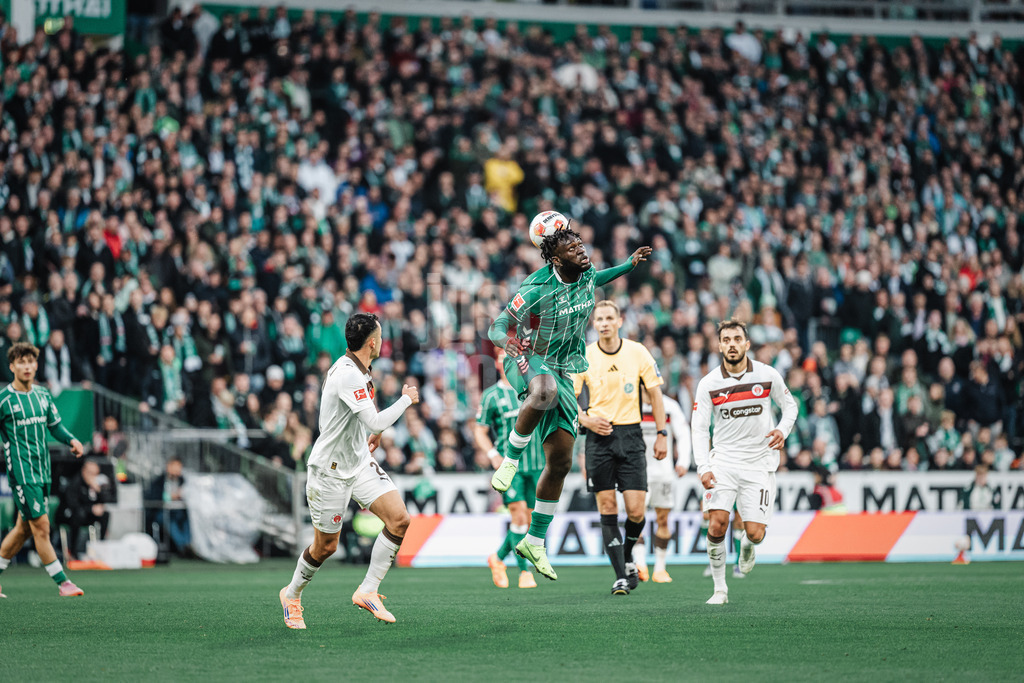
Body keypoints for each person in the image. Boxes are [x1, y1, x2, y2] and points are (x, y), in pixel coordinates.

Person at [488, 227, 650, 581]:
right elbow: (497, 326)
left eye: (581, 244)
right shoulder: (535, 288)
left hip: (565, 367)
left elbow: (600, 276)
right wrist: (506, 342)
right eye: (572, 247)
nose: (581, 249)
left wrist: (627, 265)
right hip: (528, 357)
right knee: (542, 390)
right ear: (556, 258)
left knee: (560, 461)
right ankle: (510, 459)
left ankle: (534, 540)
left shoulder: (588, 274)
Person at [280, 313, 419, 628]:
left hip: (358, 461)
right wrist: (405, 400)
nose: (383, 341)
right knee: (326, 547)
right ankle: (291, 595)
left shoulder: (361, 369)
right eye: (381, 336)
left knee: (400, 520)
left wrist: (375, 433)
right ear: (372, 342)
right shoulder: (348, 374)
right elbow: (374, 419)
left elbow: (364, 418)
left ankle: (368, 589)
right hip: (330, 471)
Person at [692, 320, 798, 605]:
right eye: (726, 339)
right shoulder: (709, 384)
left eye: (737, 339)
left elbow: (791, 406)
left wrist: (782, 430)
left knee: (755, 532)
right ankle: (719, 590)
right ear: (719, 345)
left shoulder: (767, 375)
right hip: (723, 461)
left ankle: (748, 547)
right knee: (717, 524)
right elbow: (699, 429)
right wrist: (703, 467)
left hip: (759, 463)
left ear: (747, 344)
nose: (732, 344)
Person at [573, 300, 667, 595]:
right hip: (598, 439)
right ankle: (621, 576)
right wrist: (586, 421)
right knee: (608, 506)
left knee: (637, 511)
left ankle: (626, 557)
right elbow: (569, 400)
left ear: (619, 320)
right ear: (594, 323)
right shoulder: (584, 356)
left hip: (631, 435)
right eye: (598, 318)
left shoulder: (637, 352)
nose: (603, 323)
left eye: (609, 318)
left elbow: (655, 394)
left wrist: (662, 433)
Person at [0, 342, 86, 597]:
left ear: (36, 365)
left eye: (30, 361)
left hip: (42, 470)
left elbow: (55, 426)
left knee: (23, 529)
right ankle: (63, 582)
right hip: (22, 473)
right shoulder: (4, 400)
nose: (27, 366)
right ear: (12, 366)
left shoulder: (43, 395)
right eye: (21, 362)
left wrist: (71, 439)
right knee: (42, 527)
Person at [475, 349, 544, 589]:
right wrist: (492, 454)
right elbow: (479, 430)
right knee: (519, 516)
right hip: (510, 466)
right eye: (504, 358)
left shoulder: (536, 389)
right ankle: (525, 572)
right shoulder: (491, 396)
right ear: (497, 363)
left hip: (537, 464)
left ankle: (497, 558)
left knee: (531, 520)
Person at [636, 386, 690, 584]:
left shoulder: (669, 406)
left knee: (663, 520)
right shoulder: (630, 403)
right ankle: (640, 565)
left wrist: (683, 460)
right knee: (636, 518)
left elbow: (683, 433)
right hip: (636, 472)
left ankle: (660, 568)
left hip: (662, 472)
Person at [59, 459, 112, 558]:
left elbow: (105, 501)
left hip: (87, 514)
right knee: (79, 515)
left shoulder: (94, 485)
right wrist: (91, 509)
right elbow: (73, 505)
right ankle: (73, 551)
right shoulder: (75, 483)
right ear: (84, 471)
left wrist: (99, 491)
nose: (93, 476)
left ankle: (102, 546)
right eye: (91, 473)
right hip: (70, 515)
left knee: (105, 514)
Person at [145, 457, 191, 556]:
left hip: (179, 511)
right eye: (175, 467)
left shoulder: (183, 481)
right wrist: (170, 496)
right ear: (168, 467)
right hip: (161, 512)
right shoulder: (159, 481)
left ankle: (188, 544)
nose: (177, 470)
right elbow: (154, 497)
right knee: (170, 520)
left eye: (179, 468)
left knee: (187, 519)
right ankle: (183, 546)